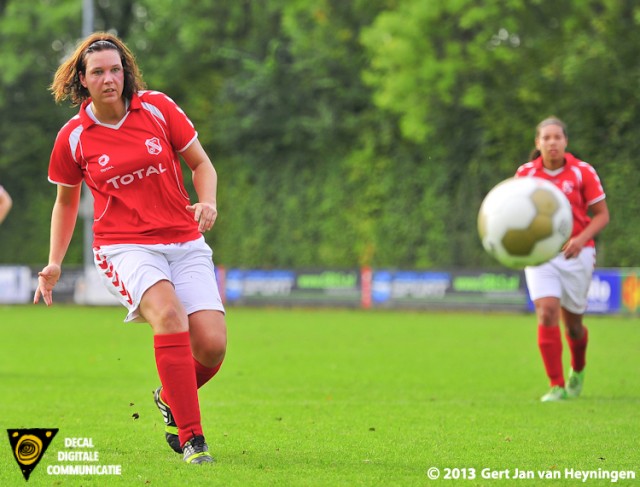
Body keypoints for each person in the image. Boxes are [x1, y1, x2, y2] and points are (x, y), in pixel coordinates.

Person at [33, 32, 227, 464]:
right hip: (124, 246)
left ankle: (167, 397)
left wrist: (208, 201)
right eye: (98, 72)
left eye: (116, 70)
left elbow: (201, 164)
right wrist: (54, 262)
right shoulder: (72, 137)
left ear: (126, 72)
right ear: (82, 80)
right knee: (169, 315)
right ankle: (194, 440)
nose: (109, 79)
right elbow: (65, 203)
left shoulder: (158, 108)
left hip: (184, 239)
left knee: (212, 347)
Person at [515, 116, 609, 402]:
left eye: (557, 137)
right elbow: (512, 213)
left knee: (574, 326)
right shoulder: (526, 174)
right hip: (541, 255)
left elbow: (602, 215)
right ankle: (556, 385)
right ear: (538, 143)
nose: (552, 142)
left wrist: (580, 240)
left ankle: (577, 369)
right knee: (546, 312)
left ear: (565, 141)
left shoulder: (583, 172)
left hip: (577, 254)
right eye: (546, 137)